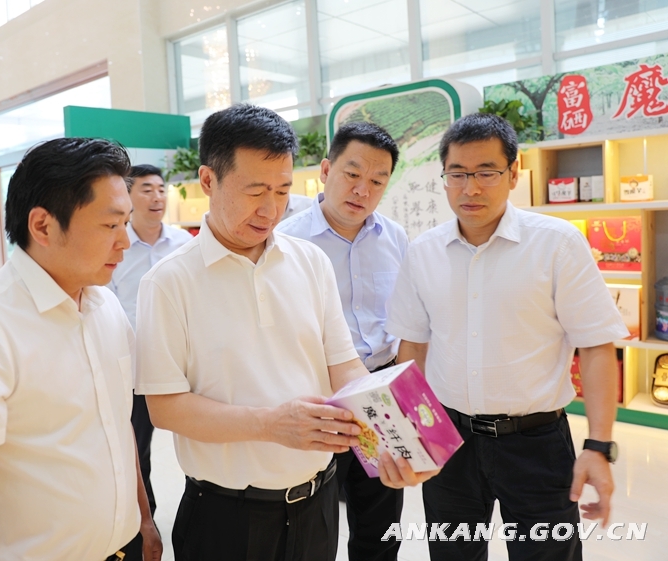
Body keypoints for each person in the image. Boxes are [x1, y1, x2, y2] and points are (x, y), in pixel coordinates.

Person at [135, 104, 436, 561]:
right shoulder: (167, 281)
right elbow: (165, 407)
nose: (270, 209)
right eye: (255, 190)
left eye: (282, 190)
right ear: (209, 180)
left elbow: (345, 368)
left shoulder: (310, 261)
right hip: (224, 515)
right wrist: (271, 424)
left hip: (317, 503)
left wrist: (396, 442)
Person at [386, 113, 628, 561]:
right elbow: (413, 347)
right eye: (457, 174)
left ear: (514, 173)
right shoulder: (423, 252)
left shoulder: (556, 244)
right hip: (450, 440)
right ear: (444, 177)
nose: (470, 188)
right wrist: (413, 433)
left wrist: (598, 446)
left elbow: (596, 345)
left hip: (536, 445)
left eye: (486, 173)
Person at [0, 138, 161, 561]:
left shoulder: (106, 306)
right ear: (43, 225)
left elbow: (117, 428)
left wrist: (143, 520)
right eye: (110, 225)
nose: (124, 241)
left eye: (126, 223)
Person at [277, 121, 408, 561]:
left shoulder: (395, 238)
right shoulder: (287, 240)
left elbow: (407, 322)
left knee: (381, 523)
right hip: (320, 397)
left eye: (377, 181)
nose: (362, 190)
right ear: (325, 170)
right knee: (316, 522)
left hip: (379, 395)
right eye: (352, 174)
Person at [108, 164, 192, 516]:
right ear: (128, 197)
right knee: (136, 450)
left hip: (181, 363)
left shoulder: (184, 244)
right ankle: (145, 521)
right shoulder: (116, 246)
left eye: (161, 189)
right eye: (146, 189)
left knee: (197, 443)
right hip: (134, 368)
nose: (157, 196)